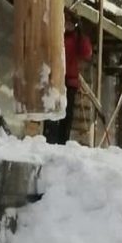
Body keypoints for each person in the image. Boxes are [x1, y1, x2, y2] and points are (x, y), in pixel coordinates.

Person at [44, 14, 92, 145]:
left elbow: (86, 52)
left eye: (71, 23)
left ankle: (62, 141)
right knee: (52, 110)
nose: (68, 25)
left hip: (69, 81)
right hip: (55, 79)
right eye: (66, 22)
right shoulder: (57, 35)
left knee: (66, 112)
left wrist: (82, 35)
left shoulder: (77, 38)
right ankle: (49, 139)